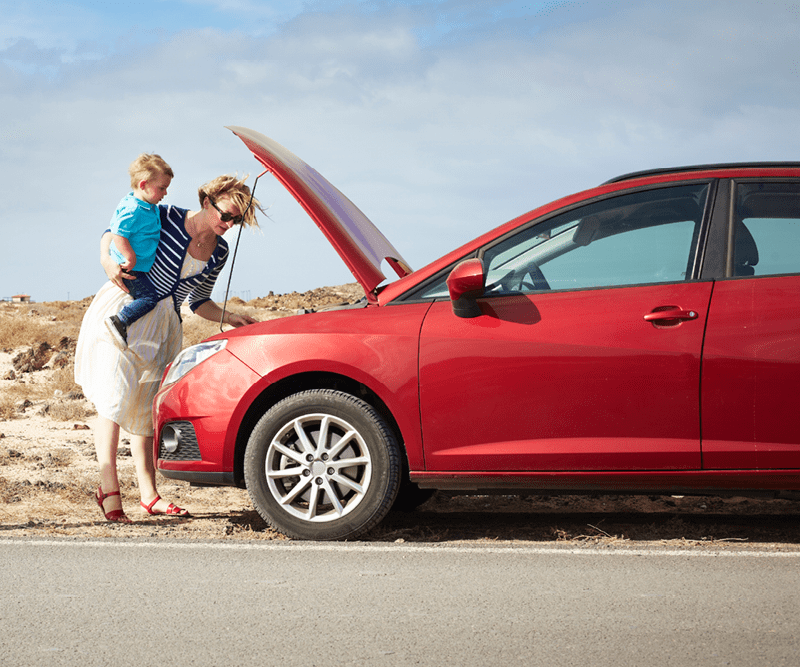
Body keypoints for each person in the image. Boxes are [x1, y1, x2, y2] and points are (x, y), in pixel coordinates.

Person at [75, 174, 263, 523]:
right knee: (113, 397)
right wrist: (106, 259)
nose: (228, 224)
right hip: (125, 310)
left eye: (235, 220)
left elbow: (198, 301)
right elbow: (114, 230)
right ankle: (109, 489)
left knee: (144, 409)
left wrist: (230, 316)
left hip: (162, 328)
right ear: (206, 201)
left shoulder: (219, 252)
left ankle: (149, 496)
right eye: (225, 214)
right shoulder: (165, 216)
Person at [104, 153, 174, 351]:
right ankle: (119, 320)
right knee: (149, 299)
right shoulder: (134, 209)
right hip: (129, 268)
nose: (165, 193)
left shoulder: (146, 205)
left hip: (138, 267)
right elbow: (118, 232)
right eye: (162, 188)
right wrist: (130, 256)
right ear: (143, 185)